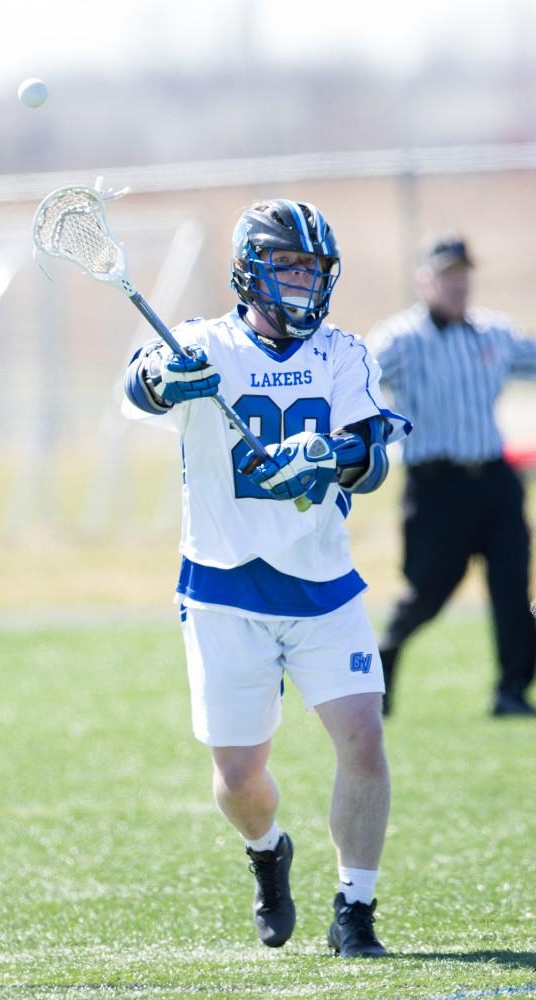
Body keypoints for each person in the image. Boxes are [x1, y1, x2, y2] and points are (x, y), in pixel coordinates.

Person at [122, 199, 410, 957]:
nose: (303, 280)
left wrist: (325, 459)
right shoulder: (201, 343)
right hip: (224, 588)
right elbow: (137, 387)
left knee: (363, 744)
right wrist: (165, 379)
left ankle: (355, 910)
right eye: (288, 264)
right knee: (240, 777)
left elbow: (372, 455)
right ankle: (266, 851)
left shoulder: (344, 352)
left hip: (321, 587)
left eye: (313, 267)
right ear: (251, 269)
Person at [370, 235, 536, 717]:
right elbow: (354, 377)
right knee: (428, 590)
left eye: (463, 275)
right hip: (436, 486)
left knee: (512, 589)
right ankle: (384, 658)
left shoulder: (493, 334)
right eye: (447, 275)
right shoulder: (401, 339)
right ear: (426, 280)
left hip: (495, 480)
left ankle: (511, 690)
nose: (457, 285)